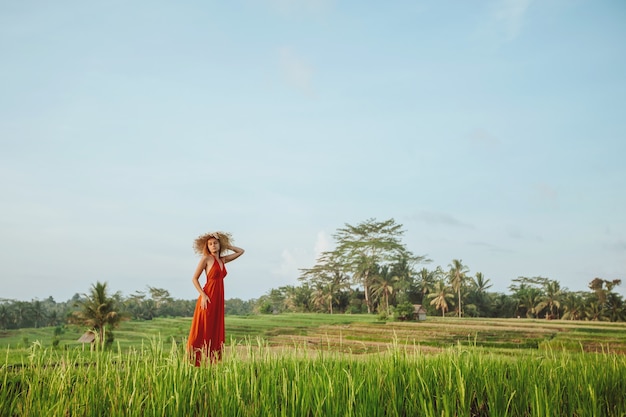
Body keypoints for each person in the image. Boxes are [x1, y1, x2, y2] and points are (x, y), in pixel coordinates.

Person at [187, 231, 244, 366]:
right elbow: (194, 279)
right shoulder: (206, 259)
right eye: (210, 244)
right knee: (203, 328)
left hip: (219, 298)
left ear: (219, 244)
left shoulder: (222, 260)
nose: (213, 246)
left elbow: (241, 251)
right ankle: (194, 361)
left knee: (215, 328)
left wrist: (227, 245)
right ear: (207, 246)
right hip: (208, 297)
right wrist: (203, 295)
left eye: (215, 243)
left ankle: (213, 361)